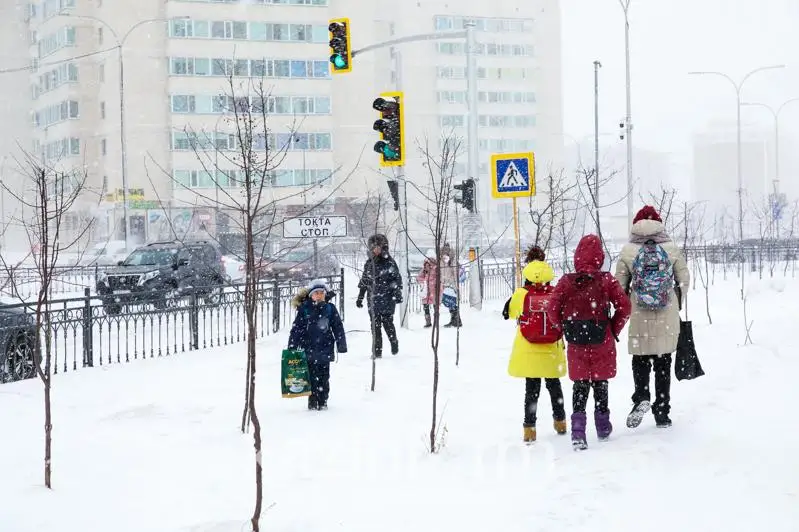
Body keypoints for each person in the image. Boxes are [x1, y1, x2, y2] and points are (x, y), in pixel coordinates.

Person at [549, 235, 631, 450]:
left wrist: (563, 328)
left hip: (576, 341)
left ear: (577, 256)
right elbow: (625, 307)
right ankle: (603, 426)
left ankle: (578, 432)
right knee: (601, 383)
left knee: (580, 386)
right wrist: (613, 328)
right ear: (599, 258)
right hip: (601, 339)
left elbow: (552, 310)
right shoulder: (606, 281)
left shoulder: (567, 282)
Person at [615, 205, 690, 429]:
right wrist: (674, 300)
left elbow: (619, 285)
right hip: (666, 315)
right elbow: (684, 279)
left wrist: (631, 302)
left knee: (640, 359)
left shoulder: (628, 250)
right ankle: (662, 411)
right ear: (659, 223)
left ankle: (641, 397)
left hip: (639, 312)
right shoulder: (671, 247)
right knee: (663, 362)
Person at [506, 258, 567, 443]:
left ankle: (530, 429)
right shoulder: (556, 293)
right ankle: (560, 421)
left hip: (529, 349)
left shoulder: (521, 294)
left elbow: (510, 314)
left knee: (531, 391)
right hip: (551, 351)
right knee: (554, 387)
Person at [287, 279, 347, 411]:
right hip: (308, 349)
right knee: (311, 377)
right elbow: (297, 328)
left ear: (325, 294)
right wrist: (292, 345)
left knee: (324, 377)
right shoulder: (305, 309)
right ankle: (312, 401)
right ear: (311, 295)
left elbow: (337, 327)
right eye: (316, 293)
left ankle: (323, 400)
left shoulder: (330, 309)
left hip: (325, 348)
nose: (319, 295)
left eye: (321, 293)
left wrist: (341, 343)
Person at [356, 234, 403, 358]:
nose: (376, 250)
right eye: (373, 247)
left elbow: (396, 279)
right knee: (375, 327)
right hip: (373, 299)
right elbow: (365, 281)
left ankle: (394, 342)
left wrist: (397, 292)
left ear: (384, 248)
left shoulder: (389, 263)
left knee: (388, 323)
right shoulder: (369, 263)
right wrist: (360, 296)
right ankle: (377, 351)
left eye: (378, 247)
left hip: (387, 298)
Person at [502, 245, 547, 320]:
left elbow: (511, 312)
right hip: (549, 329)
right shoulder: (553, 291)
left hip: (527, 329)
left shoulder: (523, 293)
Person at [439, 243, 461, 328]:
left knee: (453, 303)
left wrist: (456, 286)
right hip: (446, 285)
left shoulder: (452, 261)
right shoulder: (441, 261)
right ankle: (456, 320)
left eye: (446, 250)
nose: (445, 251)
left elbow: (455, 273)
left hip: (451, 284)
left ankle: (456, 320)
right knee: (449, 303)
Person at [417, 249, 440, 328]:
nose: (427, 267)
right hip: (426, 292)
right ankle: (428, 322)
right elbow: (419, 278)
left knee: (435, 307)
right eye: (425, 265)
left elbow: (439, 280)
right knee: (426, 307)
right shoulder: (423, 271)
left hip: (433, 291)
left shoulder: (435, 270)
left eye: (428, 265)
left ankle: (436, 322)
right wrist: (423, 283)